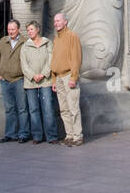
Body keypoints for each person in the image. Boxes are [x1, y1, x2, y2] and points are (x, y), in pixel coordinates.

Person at [19, 21, 59, 144]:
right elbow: (24, 64)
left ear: (38, 30)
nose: (29, 32)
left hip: (45, 81)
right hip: (30, 83)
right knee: (33, 109)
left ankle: (51, 136)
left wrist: (43, 74)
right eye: (28, 30)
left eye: (31, 29)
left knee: (48, 108)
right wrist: (33, 76)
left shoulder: (47, 43)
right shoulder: (25, 46)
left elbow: (51, 60)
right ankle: (37, 136)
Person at [50, 12, 83, 146]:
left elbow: (76, 58)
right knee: (63, 109)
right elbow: (54, 59)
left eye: (58, 21)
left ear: (65, 22)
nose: (56, 23)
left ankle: (77, 136)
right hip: (58, 77)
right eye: (55, 21)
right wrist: (53, 79)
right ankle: (69, 135)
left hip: (69, 76)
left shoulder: (72, 36)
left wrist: (74, 77)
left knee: (73, 108)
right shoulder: (56, 39)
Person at [0, 20, 28, 143]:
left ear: (18, 29)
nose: (10, 32)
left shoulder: (25, 42)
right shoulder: (3, 41)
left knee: (22, 108)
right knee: (9, 108)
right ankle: (10, 134)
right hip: (5, 81)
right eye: (9, 29)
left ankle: (23, 134)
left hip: (19, 80)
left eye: (13, 29)